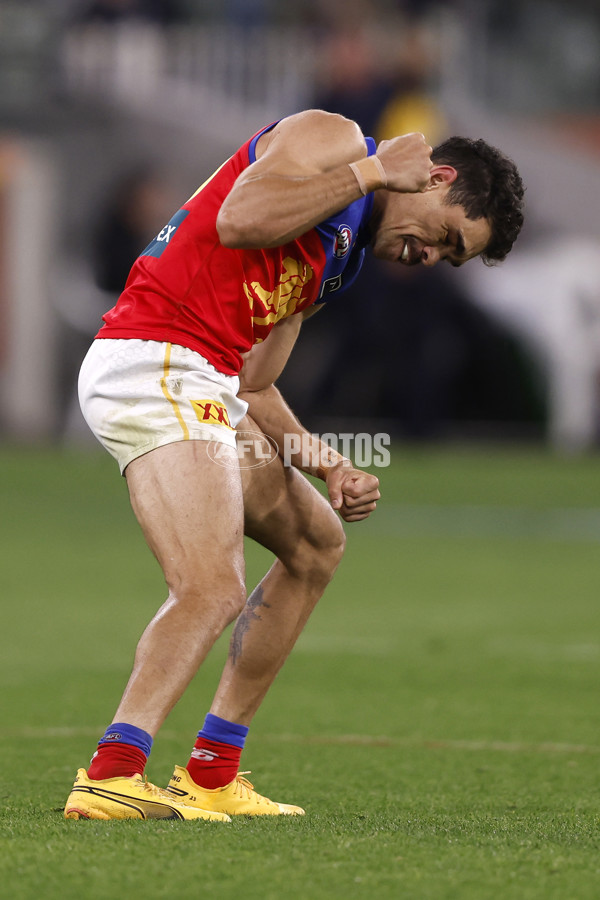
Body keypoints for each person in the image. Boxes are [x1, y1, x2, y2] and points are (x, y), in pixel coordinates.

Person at [64, 109, 524, 821]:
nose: (431, 257)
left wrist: (329, 465)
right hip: (156, 357)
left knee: (315, 543)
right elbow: (241, 218)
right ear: (436, 177)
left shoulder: (342, 256)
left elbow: (252, 383)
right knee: (211, 588)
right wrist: (371, 169)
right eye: (446, 238)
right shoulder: (334, 139)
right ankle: (111, 772)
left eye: (450, 260)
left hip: (205, 381)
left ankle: (212, 773)